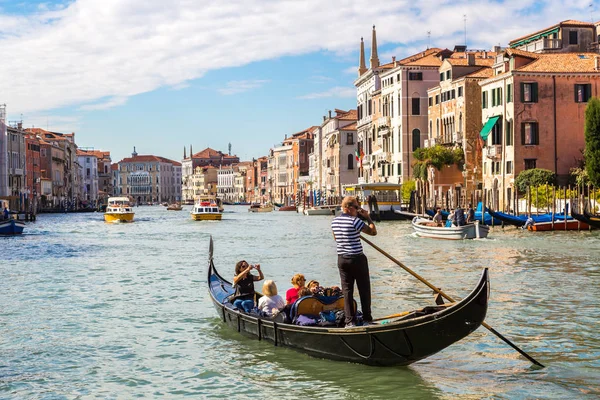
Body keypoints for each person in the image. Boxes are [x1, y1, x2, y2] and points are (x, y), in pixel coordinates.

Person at [331, 196, 377, 328]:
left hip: (342, 259)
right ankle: (367, 319)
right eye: (356, 207)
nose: (358, 210)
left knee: (347, 291)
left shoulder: (334, 222)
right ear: (349, 208)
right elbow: (373, 232)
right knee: (364, 289)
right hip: (357, 258)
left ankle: (349, 321)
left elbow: (336, 238)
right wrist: (367, 217)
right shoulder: (355, 221)